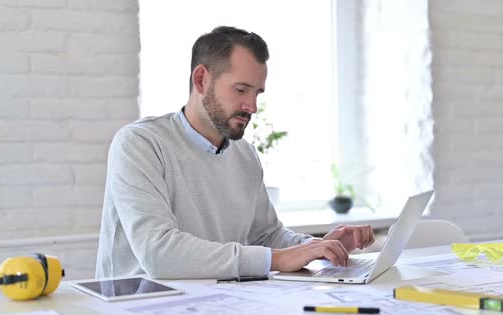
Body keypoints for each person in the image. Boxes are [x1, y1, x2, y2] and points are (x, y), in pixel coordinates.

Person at [96, 26, 375, 279]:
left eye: (257, 93)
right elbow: (158, 253)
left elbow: (266, 237)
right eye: (241, 90)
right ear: (202, 79)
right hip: (138, 310)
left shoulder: (245, 155)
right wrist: (277, 259)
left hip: (216, 305)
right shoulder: (140, 144)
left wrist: (317, 246)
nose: (252, 106)